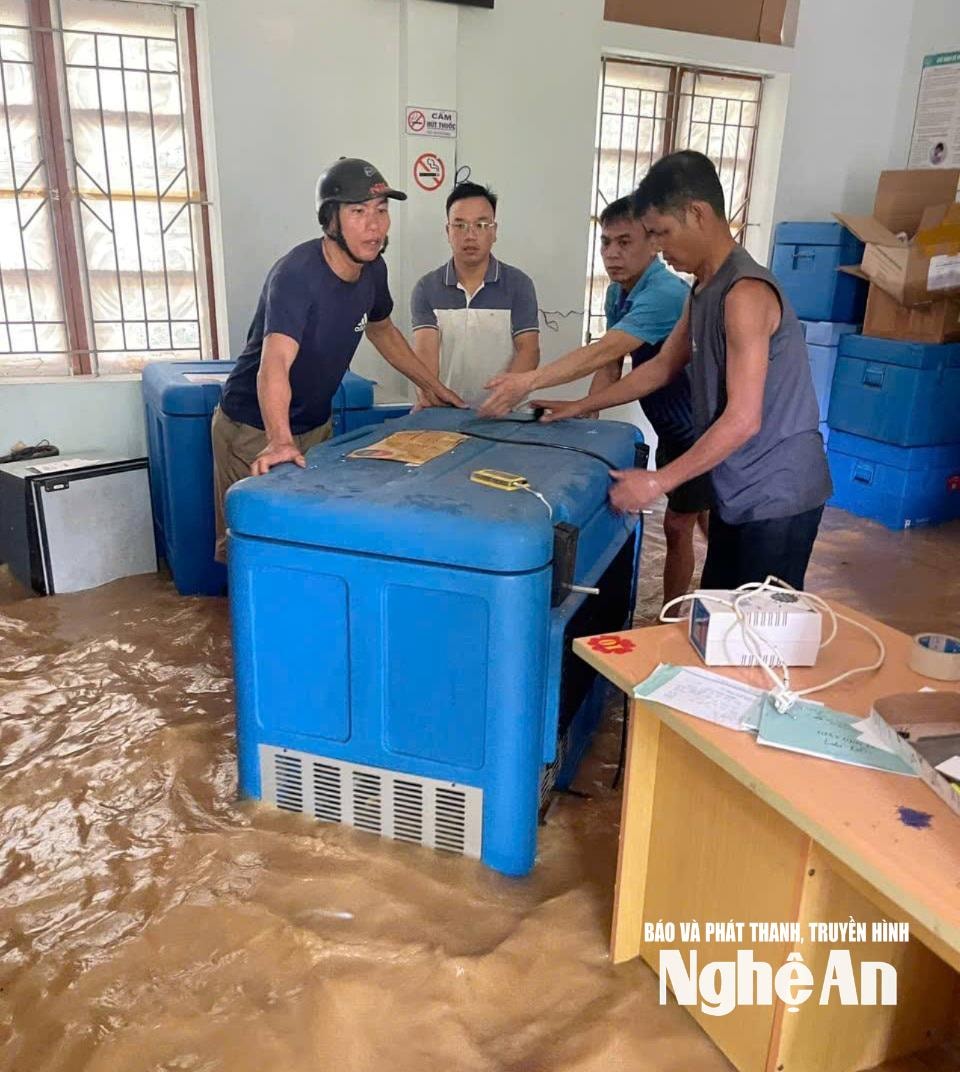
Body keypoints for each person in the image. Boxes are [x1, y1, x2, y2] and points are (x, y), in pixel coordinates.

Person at [530, 151, 832, 591]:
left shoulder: (745, 294)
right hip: (737, 484)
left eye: (661, 233)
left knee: (756, 624)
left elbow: (743, 419)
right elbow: (662, 368)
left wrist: (658, 481)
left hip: (777, 493)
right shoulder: (704, 287)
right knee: (720, 611)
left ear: (697, 213)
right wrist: (579, 406)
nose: (657, 248)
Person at [211, 157, 464, 562]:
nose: (375, 226)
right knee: (253, 551)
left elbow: (382, 329)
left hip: (315, 424)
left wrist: (433, 388)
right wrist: (280, 439)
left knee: (310, 540)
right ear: (331, 220)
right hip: (254, 427)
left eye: (381, 211)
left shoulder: (373, 269)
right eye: (358, 212)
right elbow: (274, 363)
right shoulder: (297, 275)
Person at [480, 195, 710, 606]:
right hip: (672, 426)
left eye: (625, 242)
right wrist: (586, 422)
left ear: (653, 243)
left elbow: (604, 350)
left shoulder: (665, 293)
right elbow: (611, 365)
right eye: (606, 242)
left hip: (701, 427)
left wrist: (528, 381)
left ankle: (672, 619)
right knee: (703, 516)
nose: (612, 253)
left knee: (678, 525)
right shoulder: (617, 293)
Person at [410, 182, 540, 407]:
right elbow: (425, 358)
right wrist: (430, 396)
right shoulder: (426, 288)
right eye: (460, 225)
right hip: (446, 410)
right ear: (448, 231)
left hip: (506, 412)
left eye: (481, 225)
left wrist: (503, 399)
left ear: (494, 231)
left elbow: (529, 350)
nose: (470, 235)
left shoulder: (519, 285)